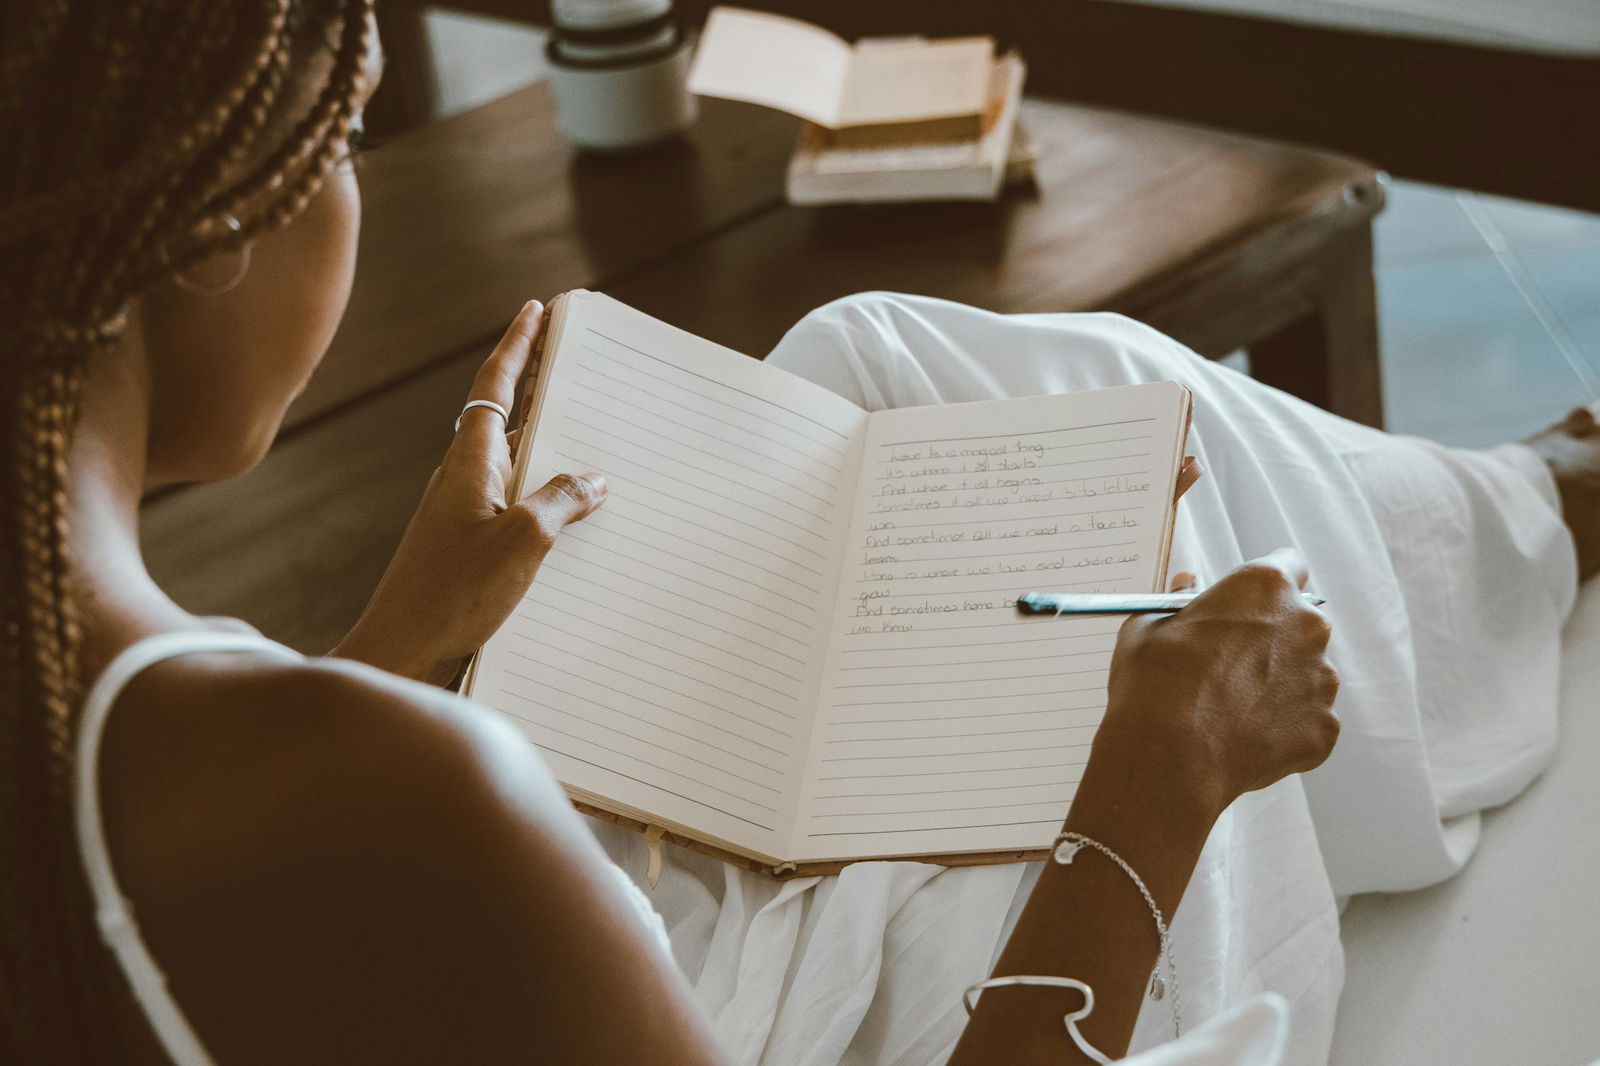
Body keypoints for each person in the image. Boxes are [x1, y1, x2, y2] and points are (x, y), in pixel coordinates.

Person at [0, 2, 1592, 1064]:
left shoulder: (91, 699)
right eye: (336, 139)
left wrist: (392, 647)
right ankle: (1533, 522)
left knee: (876, 360)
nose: (342, 178)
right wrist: (1155, 781)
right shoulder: (410, 790)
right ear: (206, 223)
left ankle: (1518, 511)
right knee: (1122, 529)